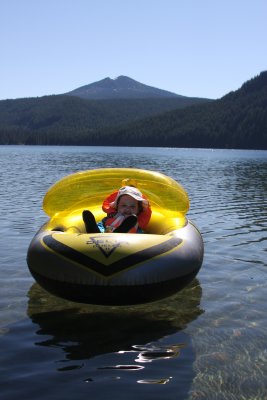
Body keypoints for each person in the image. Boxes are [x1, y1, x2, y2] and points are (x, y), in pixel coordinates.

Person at [82, 185, 151, 233]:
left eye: (132, 207)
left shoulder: (136, 223)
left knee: (137, 230)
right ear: (117, 207)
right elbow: (102, 224)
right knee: (101, 224)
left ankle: (121, 231)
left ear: (138, 209)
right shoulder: (111, 216)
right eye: (124, 205)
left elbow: (141, 236)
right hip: (107, 231)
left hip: (128, 235)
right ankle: (94, 230)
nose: (127, 209)